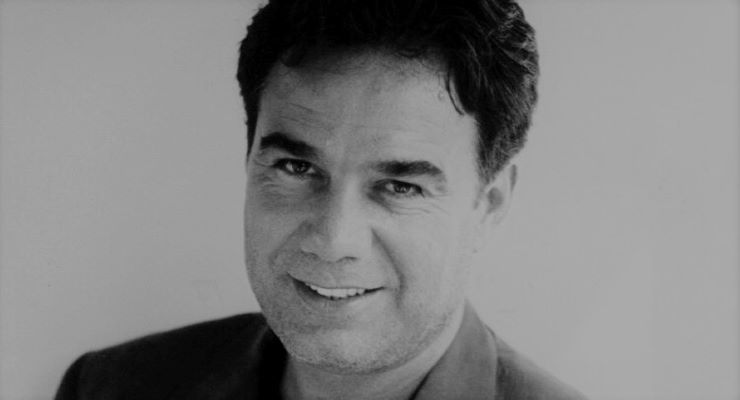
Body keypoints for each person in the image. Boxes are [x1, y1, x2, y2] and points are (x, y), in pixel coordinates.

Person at [55, 0, 587, 399]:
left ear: (489, 205)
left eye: (401, 186)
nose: (333, 240)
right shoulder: (107, 388)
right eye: (296, 167)